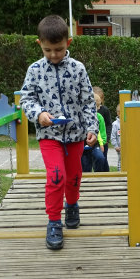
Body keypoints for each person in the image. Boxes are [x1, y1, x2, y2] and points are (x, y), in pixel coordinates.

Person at [20, 14, 98, 250]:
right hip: (49, 136)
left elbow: (88, 101)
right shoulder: (34, 70)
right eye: (48, 50)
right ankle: (54, 221)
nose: (54, 54)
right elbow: (26, 99)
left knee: (73, 177)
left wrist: (92, 128)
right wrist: (38, 114)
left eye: (59, 49)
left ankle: (72, 205)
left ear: (68, 43)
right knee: (56, 176)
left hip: (75, 135)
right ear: (39, 44)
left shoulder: (78, 69)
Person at [82, 90, 109, 173]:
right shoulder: (81, 116)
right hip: (83, 143)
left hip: (95, 143)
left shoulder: (98, 117)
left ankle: (98, 173)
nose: (99, 108)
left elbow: (99, 132)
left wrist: (101, 143)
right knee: (85, 163)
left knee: (100, 157)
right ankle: (86, 177)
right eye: (97, 107)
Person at [110, 103, 121, 171]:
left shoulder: (128, 123)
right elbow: (113, 137)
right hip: (119, 148)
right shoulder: (115, 124)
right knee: (120, 161)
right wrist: (116, 146)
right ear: (118, 113)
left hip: (127, 147)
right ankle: (120, 173)